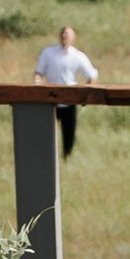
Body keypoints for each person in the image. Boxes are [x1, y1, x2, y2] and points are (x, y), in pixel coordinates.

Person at [34, 16, 99, 159]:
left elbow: (92, 75)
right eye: (63, 34)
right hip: (50, 99)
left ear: (73, 38)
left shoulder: (78, 56)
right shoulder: (49, 53)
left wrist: (84, 96)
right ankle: (47, 157)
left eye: (68, 35)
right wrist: (37, 86)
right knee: (47, 132)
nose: (65, 37)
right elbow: (39, 72)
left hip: (69, 100)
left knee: (69, 132)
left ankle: (67, 157)